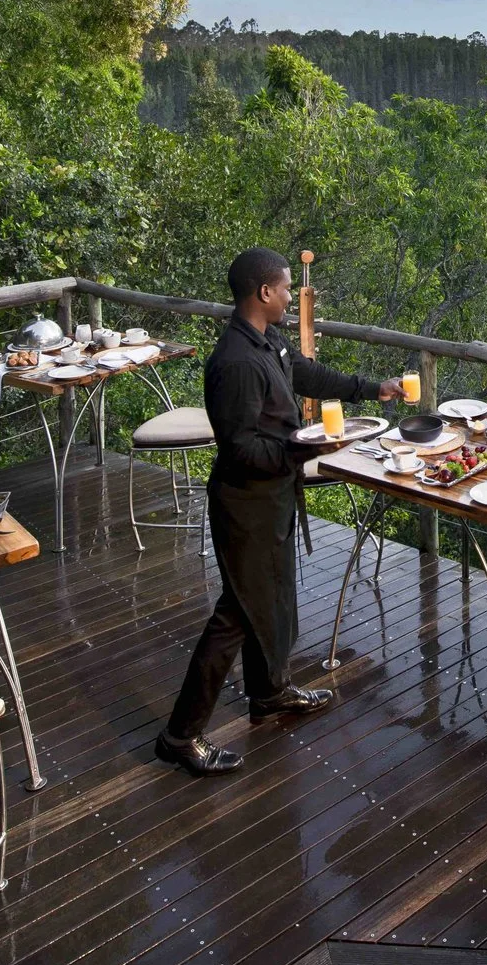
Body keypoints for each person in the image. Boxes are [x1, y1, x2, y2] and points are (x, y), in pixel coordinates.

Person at [156, 247, 400, 776]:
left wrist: (369, 390)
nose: (293, 296)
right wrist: (308, 447)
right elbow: (239, 448)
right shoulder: (236, 362)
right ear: (264, 293)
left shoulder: (267, 341)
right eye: (288, 288)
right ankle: (180, 734)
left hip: (274, 497)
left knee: (276, 599)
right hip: (245, 504)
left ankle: (268, 693)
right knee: (238, 614)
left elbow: (308, 375)